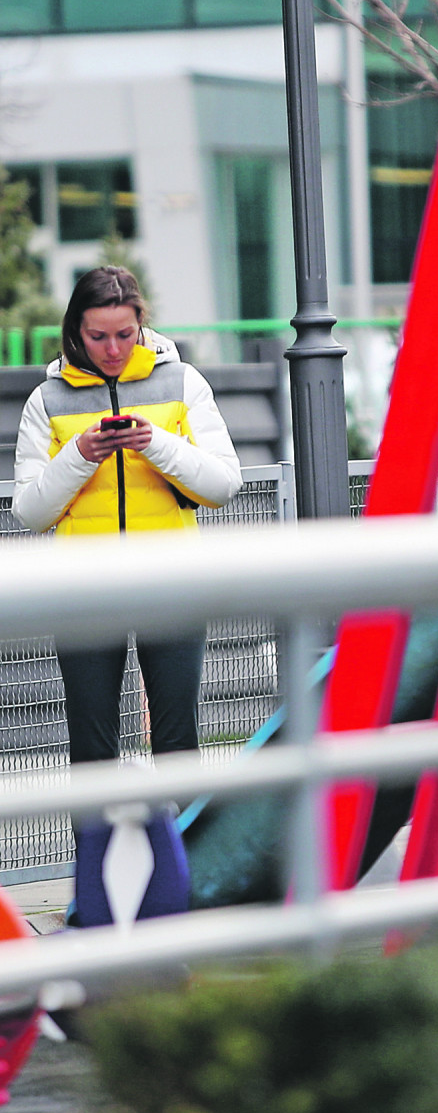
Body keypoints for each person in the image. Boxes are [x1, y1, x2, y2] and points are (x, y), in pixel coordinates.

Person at [14, 266, 243, 768]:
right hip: (83, 590)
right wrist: (80, 454)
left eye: (124, 334)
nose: (112, 349)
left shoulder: (183, 382)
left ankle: (184, 850)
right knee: (92, 750)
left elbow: (224, 485)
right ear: (76, 330)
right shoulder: (46, 400)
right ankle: (94, 851)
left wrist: (154, 443)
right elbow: (30, 512)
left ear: (141, 324)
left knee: (178, 741)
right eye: (97, 336)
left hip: (172, 580)